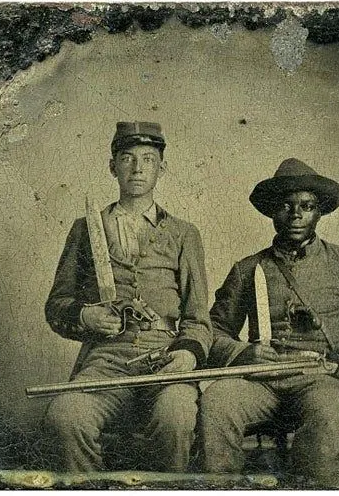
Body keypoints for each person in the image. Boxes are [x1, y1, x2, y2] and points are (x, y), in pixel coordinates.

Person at [198, 158, 339, 487]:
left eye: (307, 206)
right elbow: (213, 330)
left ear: (319, 212)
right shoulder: (248, 269)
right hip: (260, 382)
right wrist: (242, 353)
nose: (296, 214)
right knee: (217, 401)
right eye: (285, 205)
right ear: (272, 212)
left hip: (321, 378)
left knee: (326, 408)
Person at [43, 121, 212, 472]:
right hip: (105, 360)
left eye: (148, 159)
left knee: (177, 417)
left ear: (161, 168)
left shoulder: (184, 234)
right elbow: (57, 305)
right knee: (66, 416)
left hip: (166, 358)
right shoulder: (86, 228)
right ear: (112, 167)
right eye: (127, 158)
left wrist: (186, 354)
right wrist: (84, 316)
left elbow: (198, 320)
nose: (137, 168)